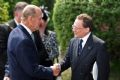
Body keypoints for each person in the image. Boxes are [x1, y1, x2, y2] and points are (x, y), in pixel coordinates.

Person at [7, 5, 59, 80]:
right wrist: (52, 70)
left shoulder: (15, 32)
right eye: (40, 18)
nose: (41, 22)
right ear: (31, 19)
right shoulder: (24, 40)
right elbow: (32, 70)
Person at [53, 13, 110, 80]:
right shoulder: (73, 41)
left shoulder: (99, 45)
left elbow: (103, 74)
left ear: (87, 29)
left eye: (76, 28)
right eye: (73, 26)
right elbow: (67, 61)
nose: (73, 30)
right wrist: (58, 67)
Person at [3, 2, 28, 80]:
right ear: (16, 13)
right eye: (25, 13)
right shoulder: (4, 28)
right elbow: (3, 53)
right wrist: (7, 73)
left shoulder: (29, 29)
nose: (27, 16)